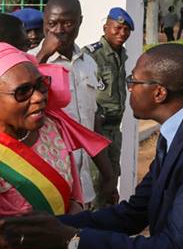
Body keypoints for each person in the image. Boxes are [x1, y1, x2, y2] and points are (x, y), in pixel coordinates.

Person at [0, 43, 183, 249]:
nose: (128, 88)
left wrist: (71, 240)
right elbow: (132, 214)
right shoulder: (179, 130)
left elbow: (177, 244)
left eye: (132, 82)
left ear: (159, 93)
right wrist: (55, 225)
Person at [0, 42, 113, 223]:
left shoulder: (51, 127)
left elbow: (73, 192)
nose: (38, 97)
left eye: (41, 84)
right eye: (22, 91)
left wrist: (74, 212)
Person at [31, 0, 103, 206]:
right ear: (44, 23)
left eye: (68, 23)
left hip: (83, 182)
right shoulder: (29, 60)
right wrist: (44, 55)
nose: (59, 30)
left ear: (80, 21)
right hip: (48, 184)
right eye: (52, 24)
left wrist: (106, 172)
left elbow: (91, 118)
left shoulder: (88, 63)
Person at [87, 8, 133, 210]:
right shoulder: (92, 55)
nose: (121, 33)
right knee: (97, 182)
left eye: (126, 30)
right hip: (97, 130)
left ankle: (103, 228)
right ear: (106, 27)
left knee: (112, 179)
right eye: (117, 28)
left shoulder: (122, 55)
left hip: (115, 130)